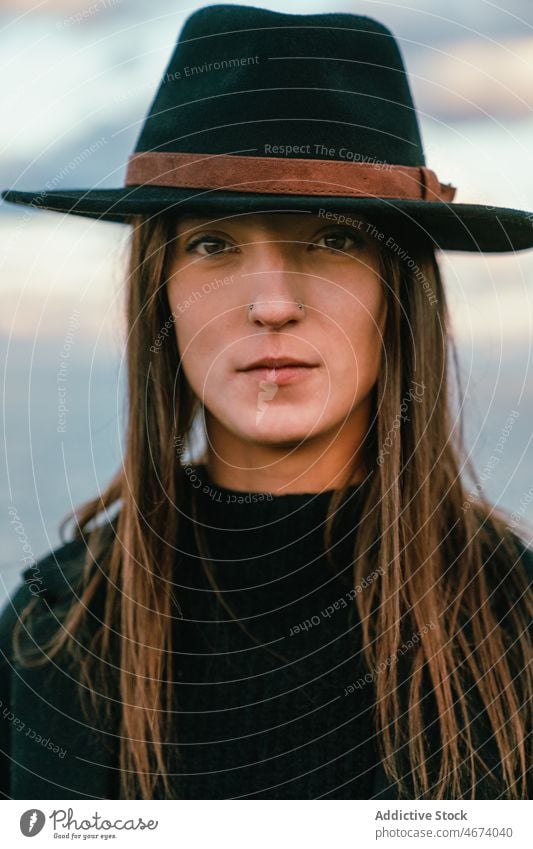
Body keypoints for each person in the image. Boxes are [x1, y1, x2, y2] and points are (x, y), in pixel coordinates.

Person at [1, 4, 532, 802]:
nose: (272, 304)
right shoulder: (56, 629)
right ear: (161, 294)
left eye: (331, 240)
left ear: (397, 292)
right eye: (214, 245)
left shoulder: (515, 624)